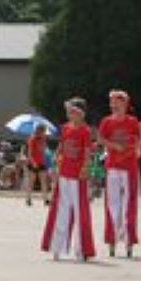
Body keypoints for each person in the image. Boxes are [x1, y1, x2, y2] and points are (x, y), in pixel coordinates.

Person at [41, 98, 95, 262]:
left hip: (78, 176)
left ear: (80, 113)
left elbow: (87, 152)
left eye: (72, 111)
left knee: (80, 213)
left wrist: (85, 169)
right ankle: (56, 247)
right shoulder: (65, 128)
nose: (69, 114)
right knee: (61, 211)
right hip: (64, 174)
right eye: (68, 112)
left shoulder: (85, 131)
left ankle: (81, 250)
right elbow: (61, 147)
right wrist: (55, 162)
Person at [98, 90, 141, 257]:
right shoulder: (106, 122)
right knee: (112, 204)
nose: (113, 105)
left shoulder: (132, 122)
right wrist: (114, 146)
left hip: (129, 167)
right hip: (113, 166)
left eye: (116, 102)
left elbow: (137, 140)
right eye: (111, 103)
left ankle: (129, 238)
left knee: (129, 204)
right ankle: (112, 237)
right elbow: (101, 139)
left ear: (124, 104)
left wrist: (132, 147)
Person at [25, 124, 51, 207]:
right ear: (39, 130)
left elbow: (43, 150)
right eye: (43, 131)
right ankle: (28, 199)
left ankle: (46, 199)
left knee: (43, 181)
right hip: (33, 163)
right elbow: (30, 153)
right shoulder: (32, 139)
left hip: (41, 162)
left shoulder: (43, 139)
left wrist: (44, 145)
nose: (44, 133)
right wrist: (33, 162)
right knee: (31, 182)